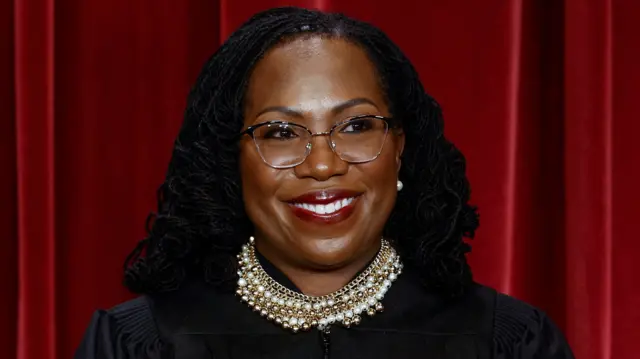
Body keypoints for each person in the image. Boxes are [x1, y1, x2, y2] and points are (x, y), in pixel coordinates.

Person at [75, 7, 574, 359]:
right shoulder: (138, 344)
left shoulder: (506, 342)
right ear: (232, 159)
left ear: (400, 146)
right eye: (280, 132)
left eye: (356, 126)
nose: (320, 165)